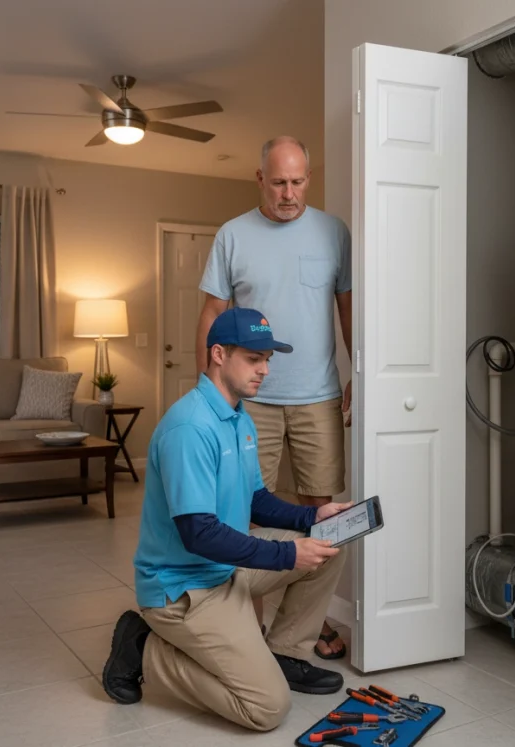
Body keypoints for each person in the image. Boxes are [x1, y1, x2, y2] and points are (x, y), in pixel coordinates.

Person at [102, 307, 351, 732]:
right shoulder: (190, 427)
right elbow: (198, 533)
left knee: (328, 543)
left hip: (225, 569)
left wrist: (314, 515)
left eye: (268, 359)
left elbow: (256, 500)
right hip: (185, 590)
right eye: (254, 359)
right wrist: (286, 554)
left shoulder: (238, 417)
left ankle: (284, 653)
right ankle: (143, 647)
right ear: (219, 354)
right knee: (267, 709)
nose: (265, 370)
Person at [194, 135, 352, 660]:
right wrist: (211, 394)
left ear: (309, 177)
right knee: (242, 517)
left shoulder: (334, 232)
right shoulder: (233, 235)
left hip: (319, 397)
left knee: (324, 515)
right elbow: (213, 315)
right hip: (248, 399)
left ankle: (295, 638)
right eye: (279, 182)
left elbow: (347, 309)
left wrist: (364, 373)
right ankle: (251, 638)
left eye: (299, 182)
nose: (289, 193)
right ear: (259, 178)